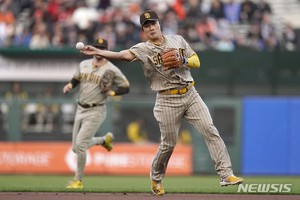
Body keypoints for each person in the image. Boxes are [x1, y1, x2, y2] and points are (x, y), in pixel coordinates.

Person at [80, 10, 243, 195]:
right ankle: (156, 178)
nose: (150, 28)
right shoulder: (144, 48)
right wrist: (98, 52)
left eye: (152, 23)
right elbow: (122, 55)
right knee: (169, 144)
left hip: (190, 94)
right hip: (167, 99)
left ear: (159, 24)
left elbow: (196, 61)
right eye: (146, 26)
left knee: (210, 130)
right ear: (143, 30)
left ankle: (225, 174)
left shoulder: (178, 40)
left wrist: (183, 60)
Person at [63, 38, 130, 189]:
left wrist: (112, 92)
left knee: (80, 145)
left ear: (106, 50)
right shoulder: (84, 64)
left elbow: (126, 87)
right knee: (75, 148)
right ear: (93, 48)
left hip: (96, 110)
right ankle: (103, 141)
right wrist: (69, 85)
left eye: (102, 47)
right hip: (80, 108)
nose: (99, 49)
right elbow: (76, 78)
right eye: (97, 46)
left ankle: (77, 180)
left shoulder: (112, 69)